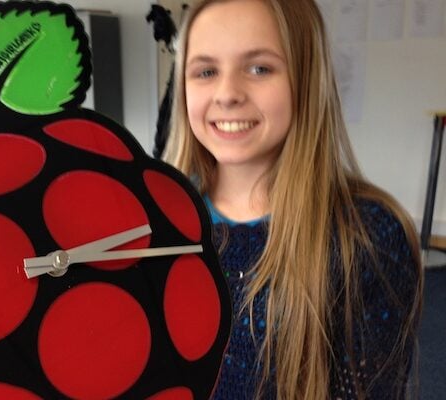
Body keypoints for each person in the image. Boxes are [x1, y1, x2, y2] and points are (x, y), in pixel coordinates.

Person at [162, 0, 423, 398]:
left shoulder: (367, 238)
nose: (227, 94)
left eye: (259, 68)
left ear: (305, 77)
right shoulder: (157, 219)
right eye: (206, 71)